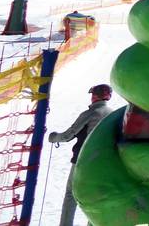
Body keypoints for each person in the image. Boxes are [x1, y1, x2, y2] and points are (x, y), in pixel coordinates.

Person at [48, 84, 113, 226]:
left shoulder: (90, 113)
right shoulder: (112, 114)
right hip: (103, 163)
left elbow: (68, 135)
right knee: (96, 197)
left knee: (71, 194)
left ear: (95, 96)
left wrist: (53, 137)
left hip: (83, 161)